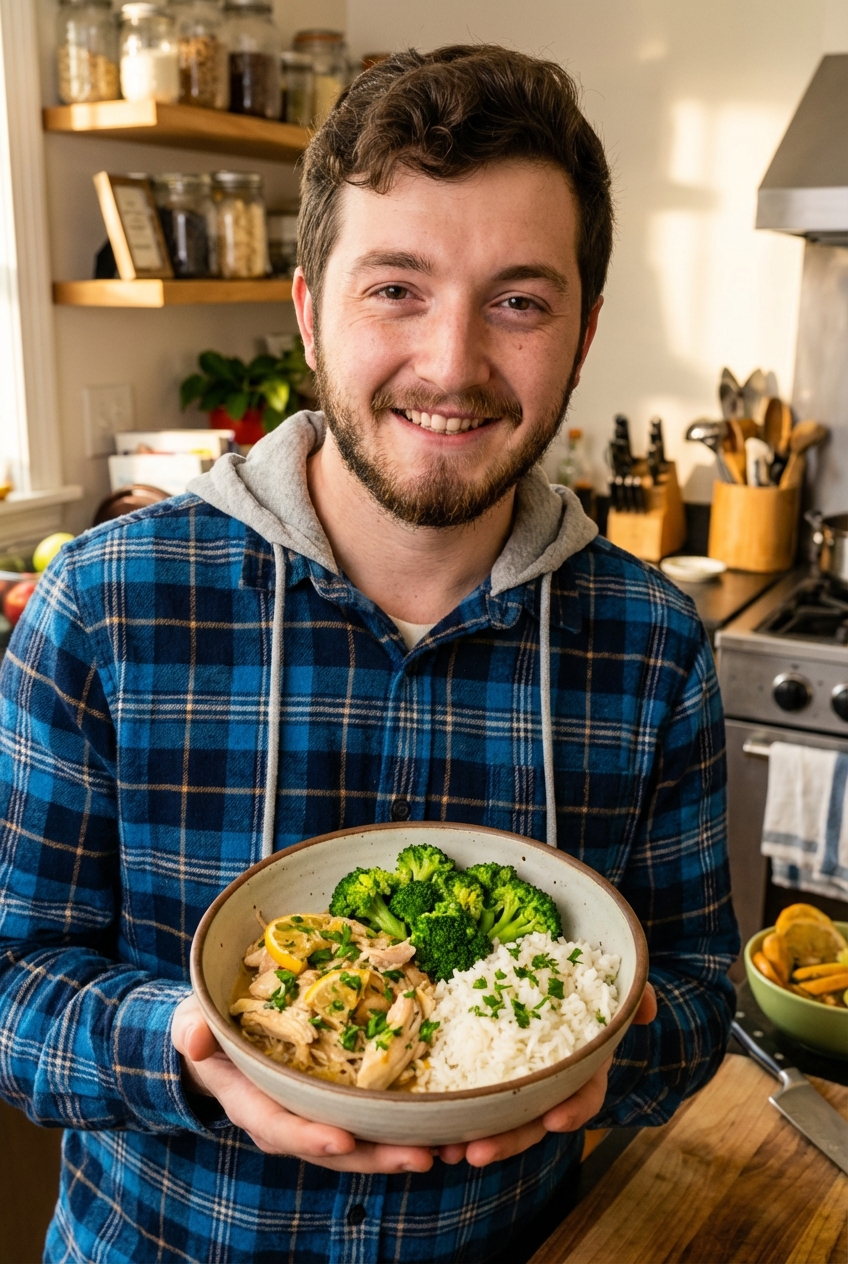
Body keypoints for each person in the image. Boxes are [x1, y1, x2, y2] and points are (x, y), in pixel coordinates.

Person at [0, 45, 738, 1264]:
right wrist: (193, 1053)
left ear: (584, 328)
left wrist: (611, 1048)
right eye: (395, 288)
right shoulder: (105, 604)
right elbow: (12, 979)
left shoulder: (651, 646)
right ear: (307, 308)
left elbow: (702, 988)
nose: (451, 364)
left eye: (518, 299)